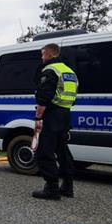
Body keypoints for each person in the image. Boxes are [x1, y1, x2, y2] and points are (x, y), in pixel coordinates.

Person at [32, 43, 78, 200]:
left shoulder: (50, 70)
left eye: (43, 54)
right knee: (62, 150)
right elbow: (73, 96)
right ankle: (67, 186)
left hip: (51, 115)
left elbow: (44, 96)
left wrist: (38, 118)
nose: (42, 57)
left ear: (50, 54)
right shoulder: (69, 72)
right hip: (65, 115)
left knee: (44, 151)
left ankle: (52, 188)